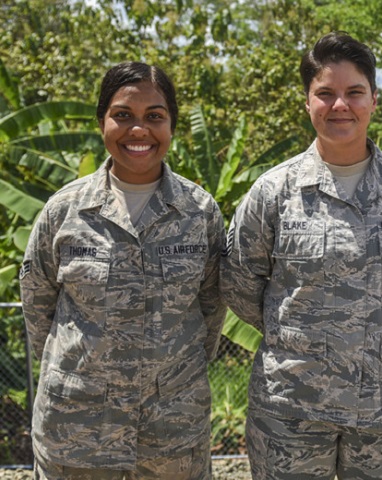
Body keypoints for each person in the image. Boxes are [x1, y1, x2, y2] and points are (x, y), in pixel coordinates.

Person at [221, 31, 382, 479]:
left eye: (354, 93)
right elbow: (239, 283)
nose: (339, 105)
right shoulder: (274, 191)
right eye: (325, 93)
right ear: (307, 102)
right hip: (292, 411)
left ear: (374, 100)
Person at [19, 61, 226, 480]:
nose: (139, 130)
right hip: (77, 432)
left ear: (172, 125)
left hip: (173, 434)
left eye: (154, 116)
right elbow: (38, 307)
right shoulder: (64, 210)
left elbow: (211, 308)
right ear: (101, 122)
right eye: (123, 115)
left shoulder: (199, 212)